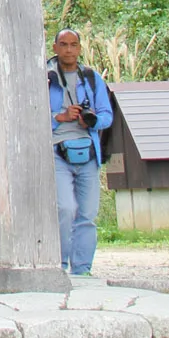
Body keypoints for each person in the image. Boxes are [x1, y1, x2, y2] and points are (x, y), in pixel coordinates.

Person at [49, 29, 114, 277]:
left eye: (73, 45)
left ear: (79, 48)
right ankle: (60, 265)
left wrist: (92, 121)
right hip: (57, 151)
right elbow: (30, 115)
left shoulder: (91, 78)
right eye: (63, 45)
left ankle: (82, 269)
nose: (68, 50)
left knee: (87, 214)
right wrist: (59, 117)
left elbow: (107, 116)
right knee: (64, 208)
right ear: (55, 48)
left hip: (88, 152)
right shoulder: (45, 79)